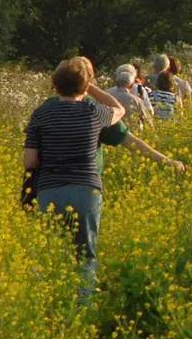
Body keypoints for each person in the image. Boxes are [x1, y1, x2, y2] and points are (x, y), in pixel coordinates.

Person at [23, 56, 126, 297]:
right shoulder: (93, 111)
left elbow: (29, 161)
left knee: (50, 252)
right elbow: (120, 110)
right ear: (84, 87)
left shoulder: (41, 114)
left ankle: (50, 304)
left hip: (50, 190)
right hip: (85, 190)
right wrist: (91, 88)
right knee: (85, 255)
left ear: (55, 85)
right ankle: (82, 306)